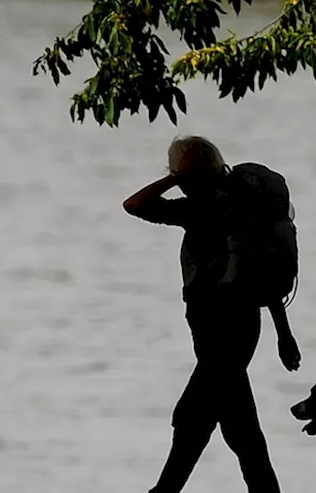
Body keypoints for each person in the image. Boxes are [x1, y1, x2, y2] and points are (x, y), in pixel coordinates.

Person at [123, 136, 301, 493]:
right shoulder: (242, 204)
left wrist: (173, 178)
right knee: (238, 426)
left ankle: (163, 490)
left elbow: (135, 204)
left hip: (216, 328)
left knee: (194, 415)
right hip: (245, 326)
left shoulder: (196, 209)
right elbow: (260, 275)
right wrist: (283, 334)